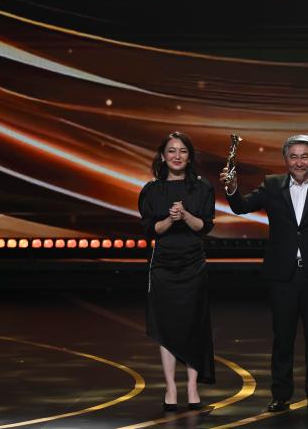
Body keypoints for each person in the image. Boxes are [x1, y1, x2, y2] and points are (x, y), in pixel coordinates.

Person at [220, 134, 308, 412]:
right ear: (285, 159)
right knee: (282, 337)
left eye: (304, 156)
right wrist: (232, 187)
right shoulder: (272, 184)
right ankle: (281, 395)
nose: (299, 162)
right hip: (282, 273)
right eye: (293, 156)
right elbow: (241, 206)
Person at [138, 131, 216, 411]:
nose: (177, 156)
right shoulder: (151, 190)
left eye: (183, 151)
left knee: (194, 324)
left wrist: (185, 215)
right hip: (163, 266)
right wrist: (171, 220)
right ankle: (170, 388)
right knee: (166, 327)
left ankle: (192, 387)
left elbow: (204, 227)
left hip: (193, 264)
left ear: (190, 157)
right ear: (163, 156)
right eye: (171, 151)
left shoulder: (202, 188)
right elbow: (151, 230)